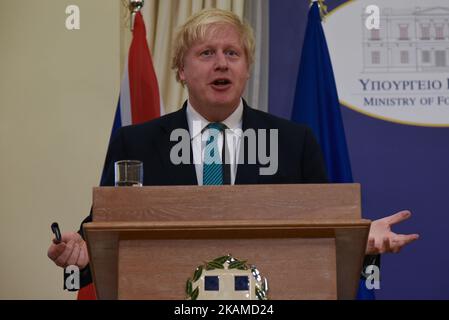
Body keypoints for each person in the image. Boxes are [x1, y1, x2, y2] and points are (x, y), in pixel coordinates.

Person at [47, 8, 419, 289]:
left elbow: (324, 242)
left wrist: (362, 244)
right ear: (180, 69)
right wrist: (76, 256)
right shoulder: (136, 142)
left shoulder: (293, 141)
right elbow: (101, 238)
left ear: (247, 67)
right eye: (206, 53)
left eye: (232, 53)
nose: (221, 63)